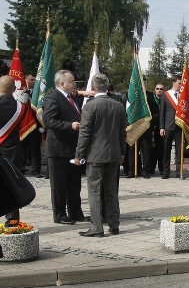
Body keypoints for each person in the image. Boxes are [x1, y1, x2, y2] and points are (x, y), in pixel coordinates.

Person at [72, 73, 127, 237]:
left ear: (93, 88)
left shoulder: (90, 106)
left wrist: (78, 155)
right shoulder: (118, 105)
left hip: (96, 155)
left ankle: (97, 227)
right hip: (113, 154)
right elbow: (122, 133)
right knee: (111, 191)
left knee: (94, 192)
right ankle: (114, 224)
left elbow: (85, 133)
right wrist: (122, 153)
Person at [42, 70, 87, 224]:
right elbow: (48, 121)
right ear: (62, 83)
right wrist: (70, 125)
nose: (74, 84)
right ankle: (60, 214)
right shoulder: (52, 97)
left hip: (73, 149)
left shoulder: (71, 98)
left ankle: (75, 212)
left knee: (75, 183)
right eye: (72, 81)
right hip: (58, 149)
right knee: (59, 185)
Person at [0, 75, 25, 225]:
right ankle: (13, 220)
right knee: (12, 187)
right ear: (14, 89)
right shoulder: (21, 107)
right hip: (14, 152)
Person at [159, 76, 182, 179]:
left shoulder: (183, 96)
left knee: (179, 150)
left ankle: (179, 172)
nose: (181, 85)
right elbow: (162, 113)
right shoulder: (166, 95)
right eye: (179, 83)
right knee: (166, 150)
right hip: (168, 126)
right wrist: (161, 127)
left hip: (180, 126)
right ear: (174, 83)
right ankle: (165, 171)